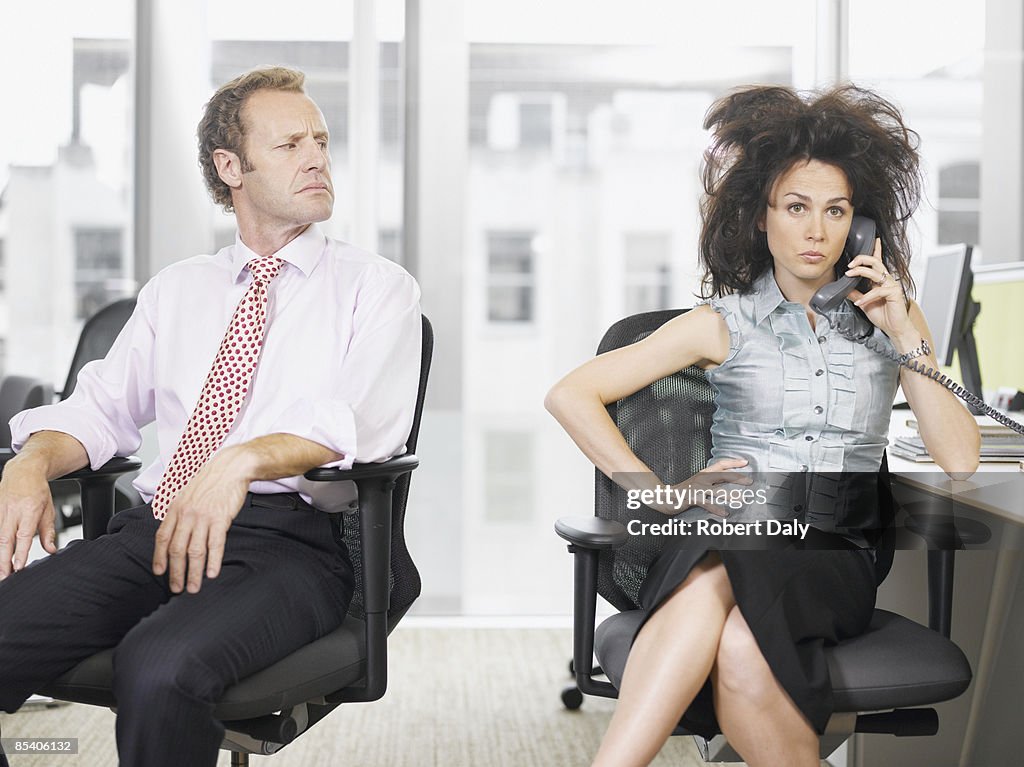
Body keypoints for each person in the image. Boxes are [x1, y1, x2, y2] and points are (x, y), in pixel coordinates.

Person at [545, 84, 981, 767]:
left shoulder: (894, 321)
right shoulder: (722, 322)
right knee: (726, 582)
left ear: (857, 225)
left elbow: (958, 456)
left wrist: (903, 332)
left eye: (835, 211)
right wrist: (657, 490)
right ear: (760, 218)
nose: (817, 231)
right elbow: (571, 395)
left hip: (834, 547)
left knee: (740, 634)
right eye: (796, 207)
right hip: (725, 523)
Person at [0, 66, 421, 767]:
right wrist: (31, 461)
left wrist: (240, 460)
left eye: (320, 138)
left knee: (159, 666)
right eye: (290, 144)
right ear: (231, 166)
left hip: (290, 546)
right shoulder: (178, 290)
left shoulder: (376, 290)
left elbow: (356, 425)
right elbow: (100, 407)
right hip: (155, 529)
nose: (317, 155)